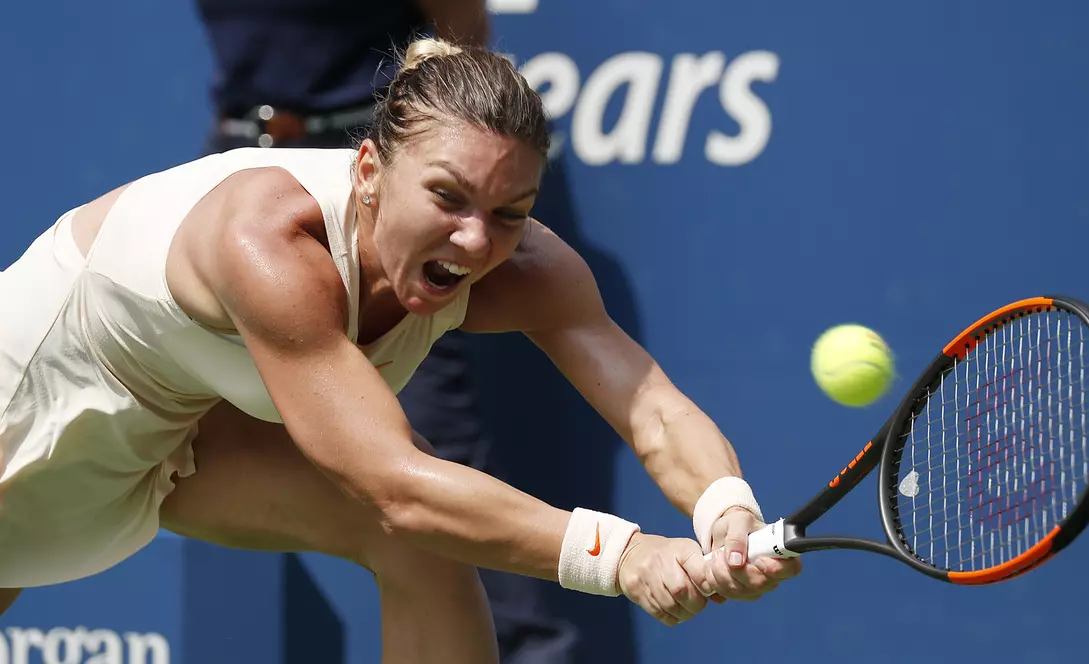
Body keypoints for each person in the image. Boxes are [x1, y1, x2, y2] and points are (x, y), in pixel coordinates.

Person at [0, 39, 801, 662]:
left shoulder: (522, 268)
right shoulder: (268, 238)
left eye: (511, 211)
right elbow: (393, 486)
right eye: (447, 197)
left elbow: (653, 410)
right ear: (371, 170)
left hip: (170, 450)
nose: (477, 239)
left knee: (428, 551)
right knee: (416, 506)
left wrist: (726, 510)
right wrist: (620, 554)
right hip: (23, 424)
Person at [191, 1, 578, 659]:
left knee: (436, 504)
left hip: (394, 173)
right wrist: (625, 555)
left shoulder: (438, 205)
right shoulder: (249, 229)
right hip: (247, 158)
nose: (485, 234)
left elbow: (463, 32)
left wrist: (693, 519)